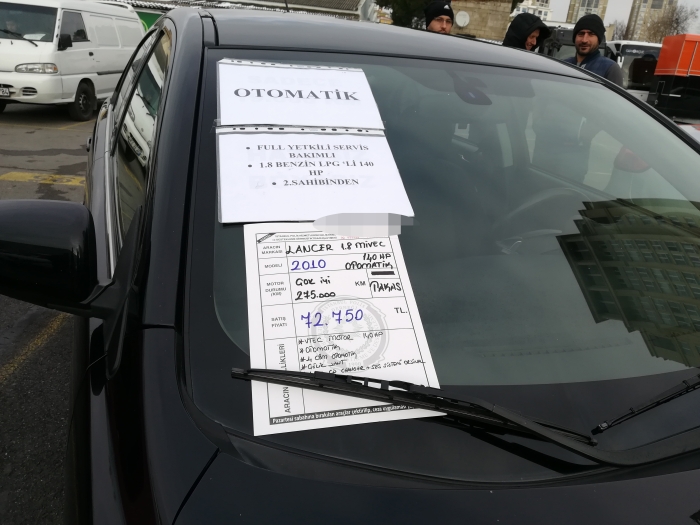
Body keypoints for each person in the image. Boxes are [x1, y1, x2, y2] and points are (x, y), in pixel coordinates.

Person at [564, 14, 623, 86]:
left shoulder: (609, 68)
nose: (584, 40)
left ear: (599, 39)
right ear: (574, 38)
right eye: (581, 34)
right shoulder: (563, 65)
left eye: (591, 34)